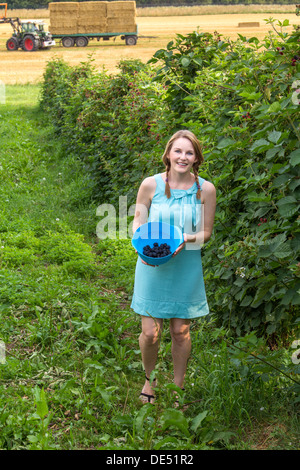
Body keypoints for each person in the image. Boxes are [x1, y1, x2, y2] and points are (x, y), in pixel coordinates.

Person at [130, 129, 216, 405]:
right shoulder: (150, 185)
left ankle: (178, 386)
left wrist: (186, 238)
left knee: (180, 331)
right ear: (168, 154)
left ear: (196, 158)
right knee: (150, 333)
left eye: (189, 152)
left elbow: (205, 233)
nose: (183, 156)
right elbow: (138, 222)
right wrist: (141, 246)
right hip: (151, 264)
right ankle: (149, 380)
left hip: (185, 265)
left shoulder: (206, 190)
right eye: (178, 151)